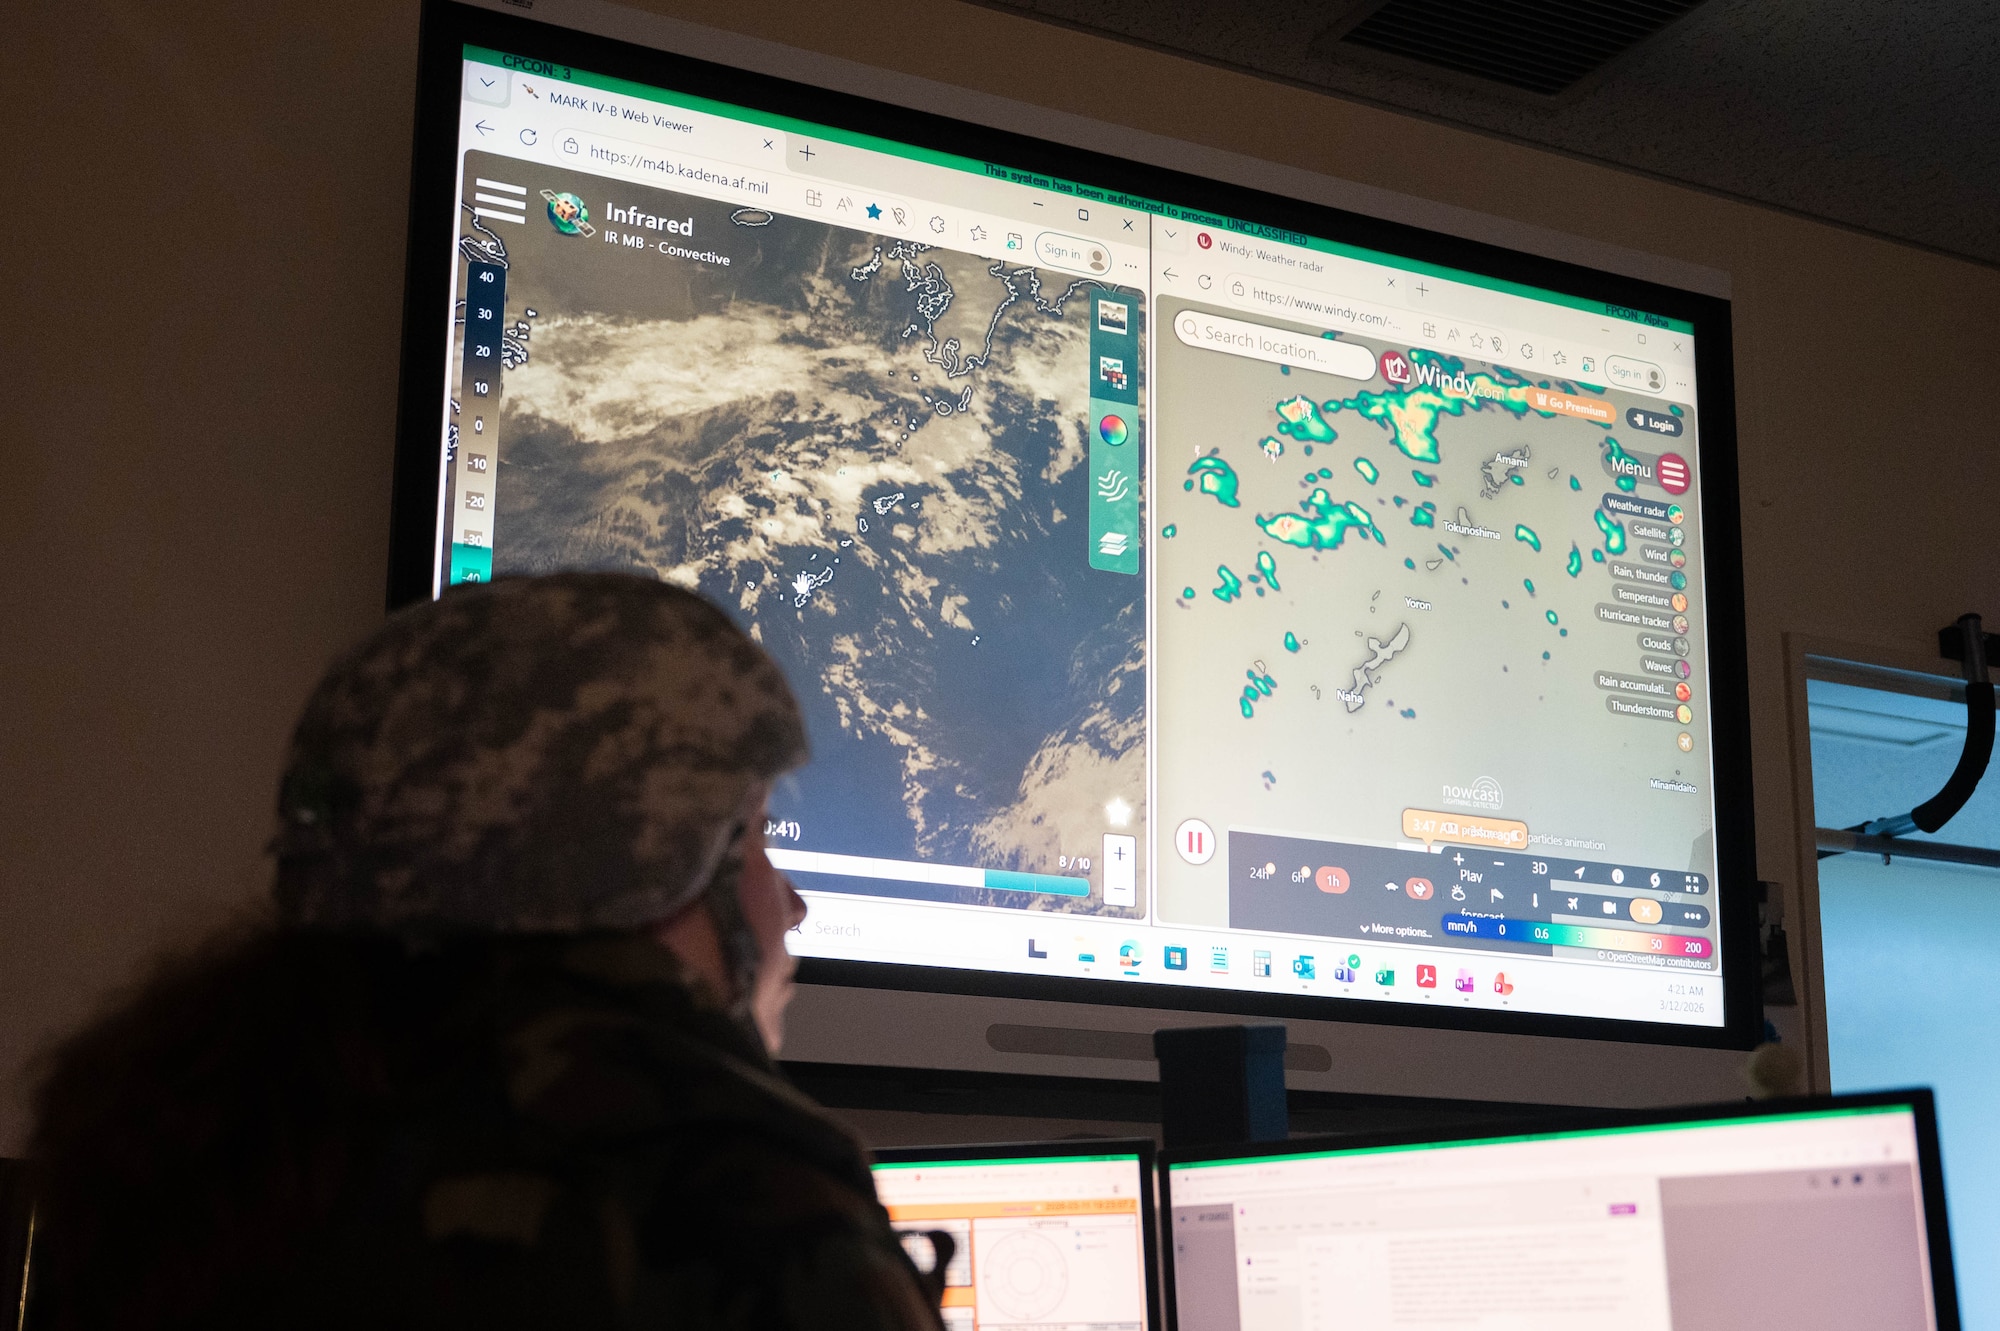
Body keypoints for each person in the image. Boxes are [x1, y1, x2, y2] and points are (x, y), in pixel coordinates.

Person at [25, 573, 945, 1331]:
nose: (791, 902)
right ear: (647, 869)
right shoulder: (744, 1214)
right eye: (754, 834)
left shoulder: (170, 1165)